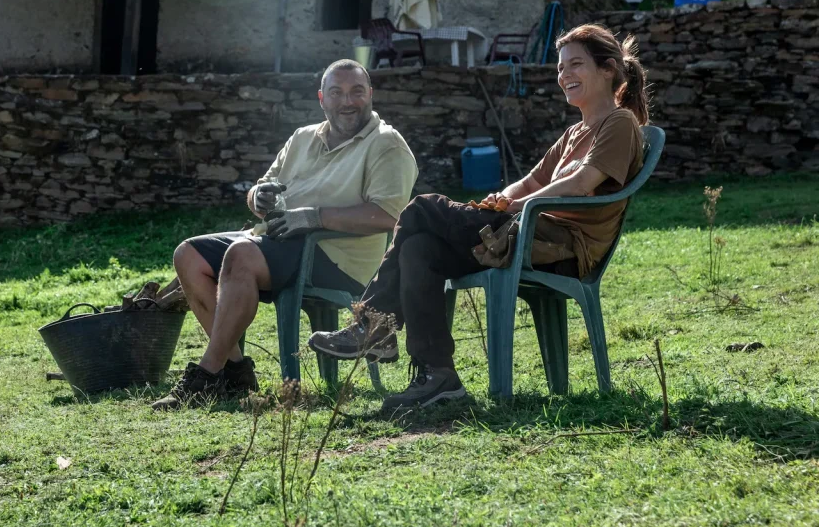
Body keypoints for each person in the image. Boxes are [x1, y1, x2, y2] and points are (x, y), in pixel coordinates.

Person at [308, 24, 651, 412]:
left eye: (575, 65)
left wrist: (521, 205)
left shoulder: (619, 123)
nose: (564, 75)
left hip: (560, 245)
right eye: (560, 67)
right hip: (527, 233)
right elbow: (534, 178)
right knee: (419, 248)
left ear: (607, 70)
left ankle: (373, 326)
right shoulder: (576, 131)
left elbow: (582, 181)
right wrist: (502, 198)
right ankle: (438, 376)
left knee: (422, 208)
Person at [152, 59, 418, 410]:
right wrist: (258, 197)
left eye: (357, 91)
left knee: (241, 255)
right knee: (189, 254)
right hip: (281, 241)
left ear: (371, 94)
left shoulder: (387, 144)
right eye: (336, 93)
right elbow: (261, 192)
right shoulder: (303, 137)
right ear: (322, 98)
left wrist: (314, 216)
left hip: (339, 257)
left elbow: (388, 215)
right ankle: (234, 372)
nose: (347, 101)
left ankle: (206, 375)